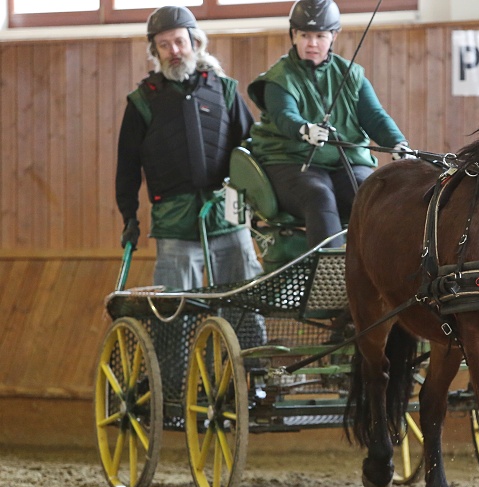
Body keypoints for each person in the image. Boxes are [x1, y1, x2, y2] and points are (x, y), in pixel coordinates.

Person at [116, 5, 263, 290]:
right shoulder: (141, 103)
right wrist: (129, 218)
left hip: (229, 218)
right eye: (164, 44)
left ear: (194, 42)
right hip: (174, 226)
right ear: (155, 51)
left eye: (179, 41)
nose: (174, 50)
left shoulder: (225, 90)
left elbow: (252, 153)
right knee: (176, 317)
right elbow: (127, 169)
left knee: (243, 311)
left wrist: (260, 210)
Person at [247, 0, 413, 249]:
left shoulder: (351, 74)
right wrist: (305, 129)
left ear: (334, 36)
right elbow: (284, 116)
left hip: (345, 161)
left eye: (320, 35)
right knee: (319, 196)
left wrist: (397, 144)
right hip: (291, 161)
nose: (312, 43)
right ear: (293, 35)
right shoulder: (278, 79)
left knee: (371, 192)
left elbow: (375, 116)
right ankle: (329, 278)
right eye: (305, 35)